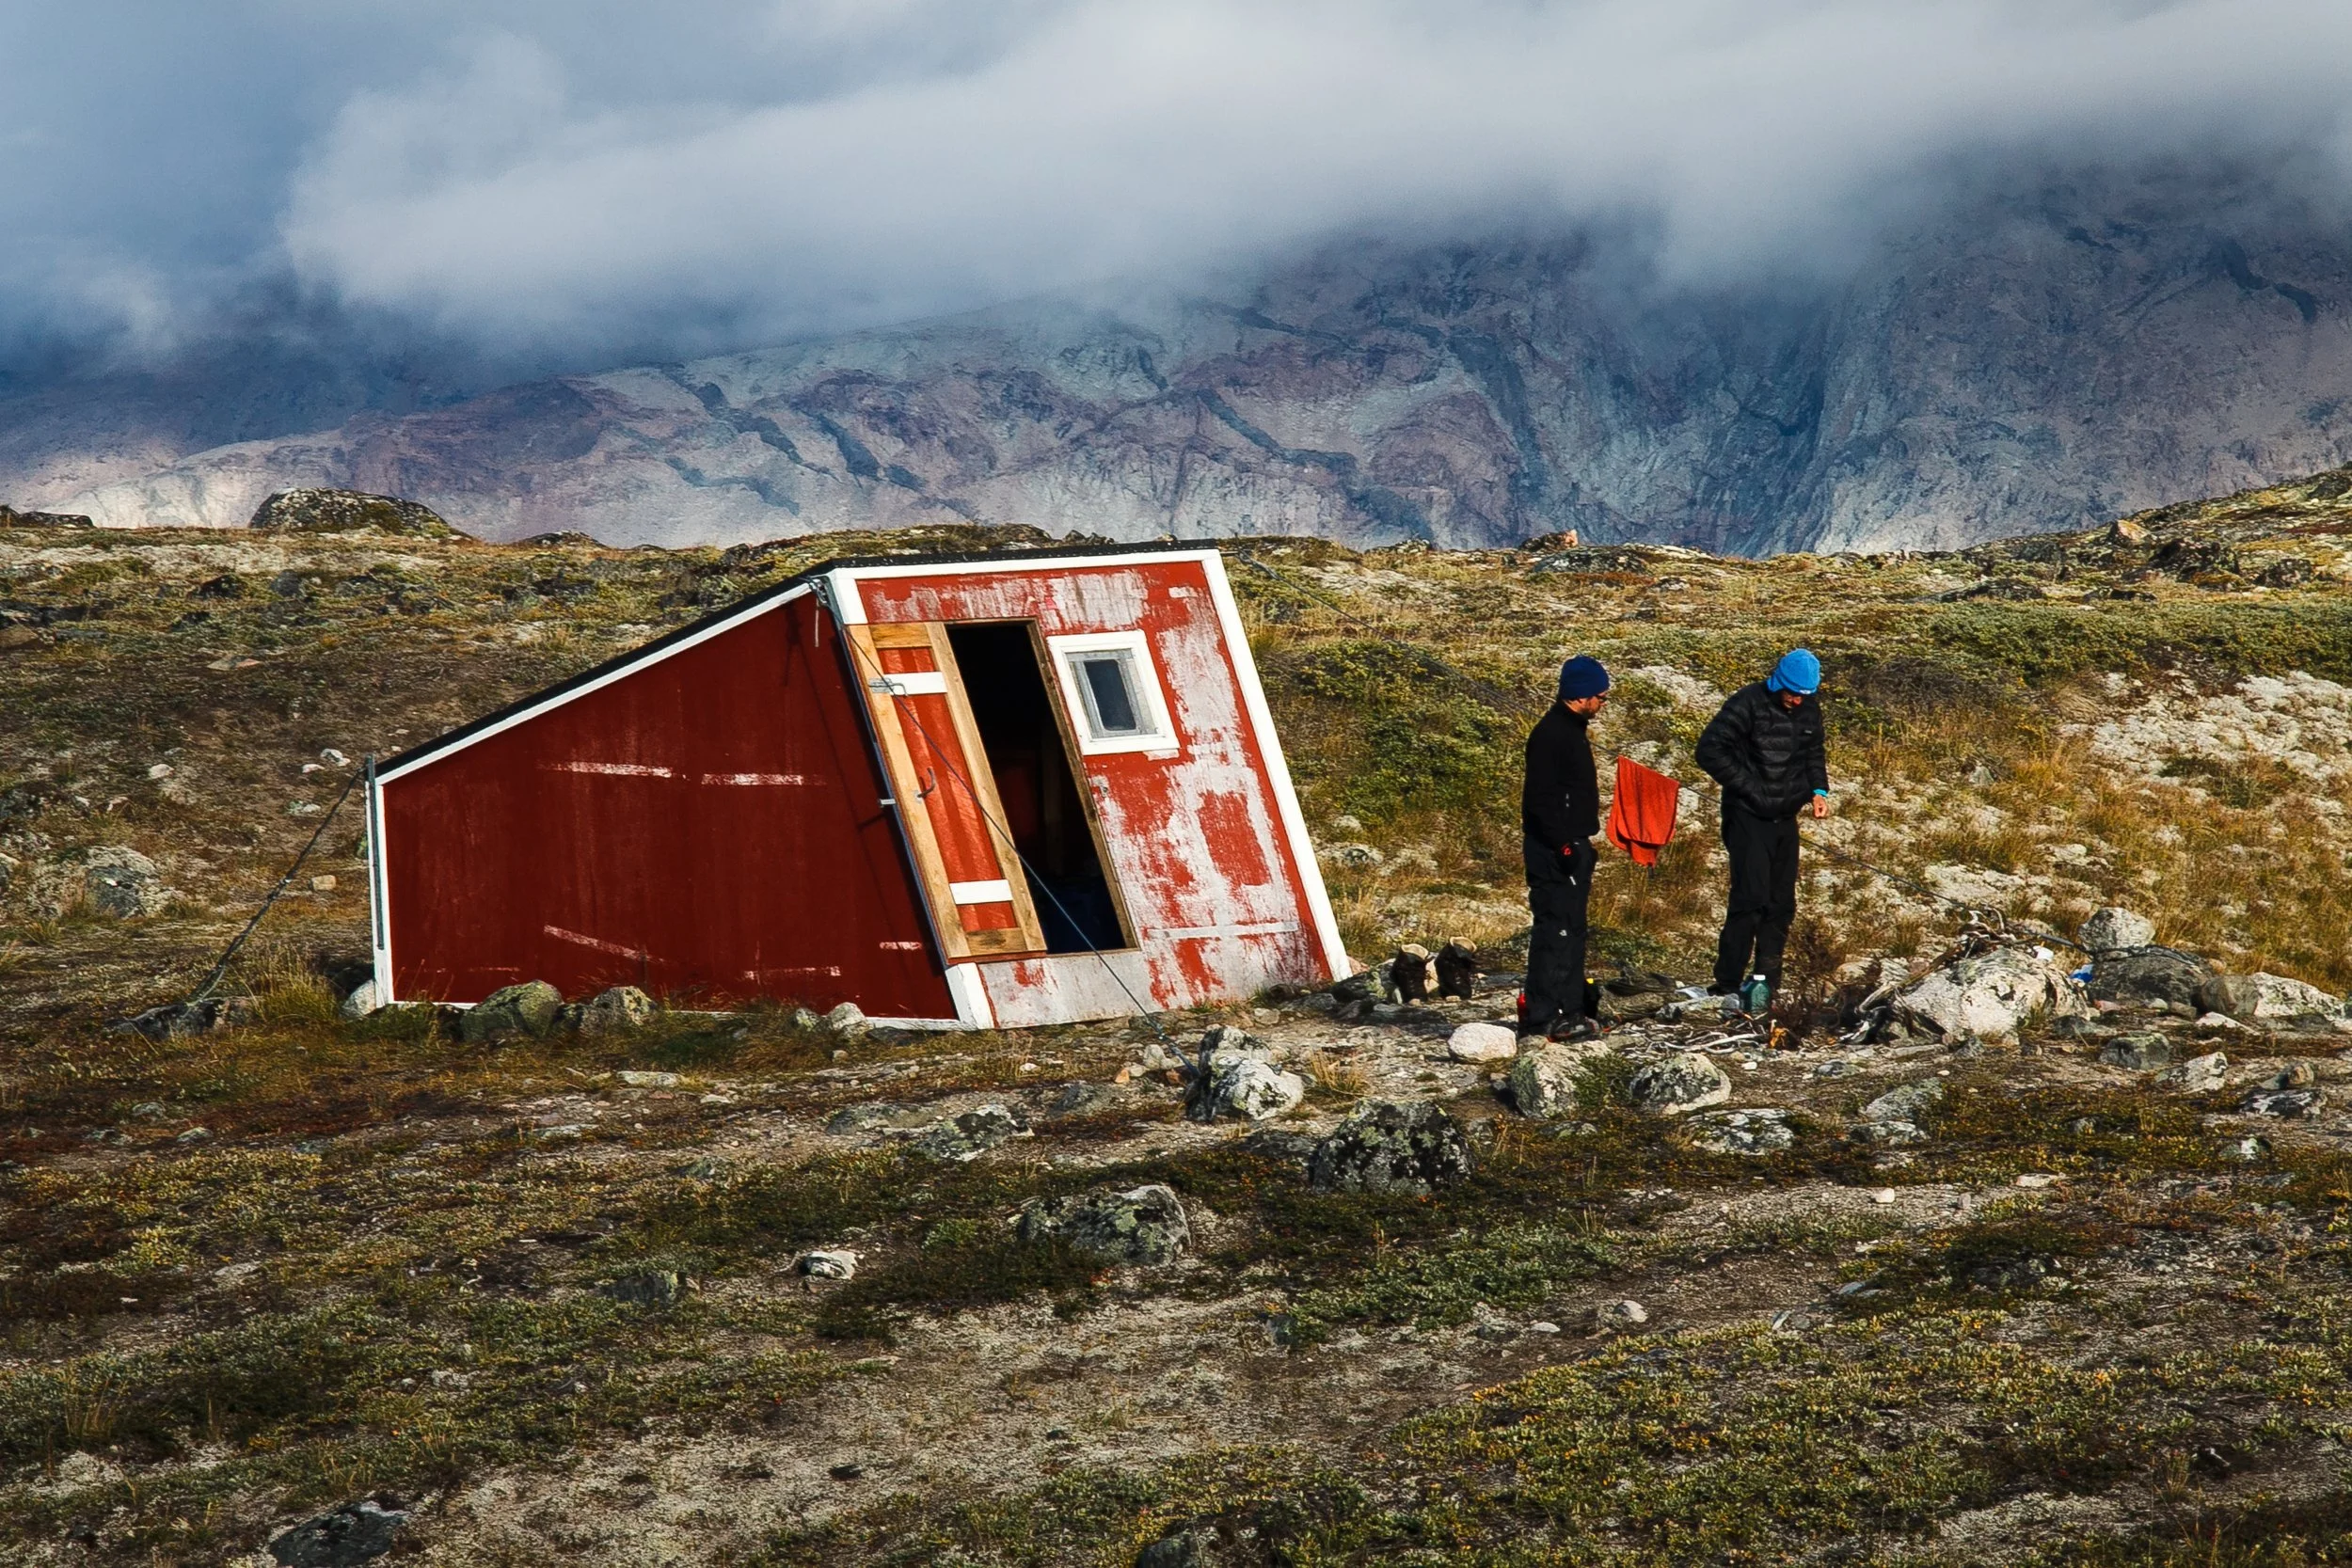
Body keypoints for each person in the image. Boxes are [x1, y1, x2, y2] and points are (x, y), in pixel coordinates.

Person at [1695, 648, 1830, 1006]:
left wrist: (1818, 790)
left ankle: (1767, 982)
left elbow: (1813, 752)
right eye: (1791, 692)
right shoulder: (1746, 703)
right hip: (1746, 816)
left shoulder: (1808, 708)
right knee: (1749, 900)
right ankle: (1726, 982)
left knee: (1781, 903)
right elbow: (1709, 750)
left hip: (1785, 817)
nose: (1796, 700)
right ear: (1777, 682)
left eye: (1803, 694)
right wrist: (1752, 788)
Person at [1520, 655, 1609, 1040]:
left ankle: (1570, 1008)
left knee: (1571, 929)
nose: (1603, 704)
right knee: (1555, 930)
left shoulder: (1571, 730)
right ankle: (1544, 1015)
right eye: (1601, 697)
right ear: (1582, 695)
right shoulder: (1551, 734)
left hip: (1572, 844)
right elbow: (1539, 800)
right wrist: (1563, 845)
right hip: (1555, 851)